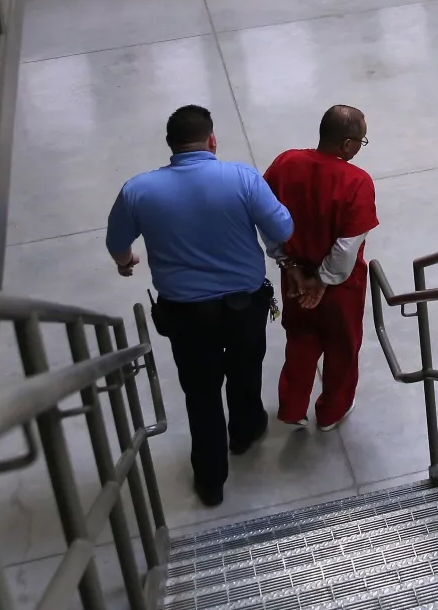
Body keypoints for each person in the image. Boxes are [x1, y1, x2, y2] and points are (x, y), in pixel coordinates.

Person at [107, 105, 292, 507]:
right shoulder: (242, 178)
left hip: (185, 315)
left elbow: (117, 243)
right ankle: (245, 430)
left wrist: (126, 262)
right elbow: (282, 228)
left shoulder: (138, 190)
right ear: (212, 140)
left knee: (201, 392)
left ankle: (210, 479)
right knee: (246, 368)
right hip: (244, 306)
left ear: (170, 145)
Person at [263, 105, 379, 432]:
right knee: (342, 346)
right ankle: (331, 412)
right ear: (346, 144)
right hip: (341, 287)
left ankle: (292, 407)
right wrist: (322, 280)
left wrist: (287, 263)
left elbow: (266, 218)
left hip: (294, 275)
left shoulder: (285, 163)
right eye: (361, 140)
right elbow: (346, 246)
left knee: (300, 338)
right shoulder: (357, 181)